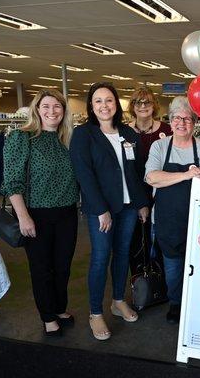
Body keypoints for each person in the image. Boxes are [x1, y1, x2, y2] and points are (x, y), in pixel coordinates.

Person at [70, 82, 150, 341]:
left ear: (116, 104)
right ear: (91, 106)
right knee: (100, 258)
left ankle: (117, 300)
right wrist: (100, 209)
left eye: (109, 100)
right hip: (101, 210)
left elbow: (137, 173)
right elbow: (84, 174)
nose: (104, 106)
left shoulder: (129, 133)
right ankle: (95, 313)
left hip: (128, 208)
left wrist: (141, 203)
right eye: (98, 101)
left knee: (123, 254)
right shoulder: (84, 134)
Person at [2, 89, 79, 336]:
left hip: (67, 213)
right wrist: (23, 216)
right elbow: (12, 181)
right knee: (42, 267)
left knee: (63, 265)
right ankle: (48, 316)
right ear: (37, 109)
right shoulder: (22, 137)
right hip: (36, 214)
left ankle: (58, 308)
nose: (52, 111)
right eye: (46, 106)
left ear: (64, 111)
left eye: (57, 106)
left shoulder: (67, 140)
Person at [145, 96, 200, 324]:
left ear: (195, 123)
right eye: (177, 118)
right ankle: (176, 302)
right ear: (170, 122)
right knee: (173, 267)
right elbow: (152, 177)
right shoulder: (160, 146)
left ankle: (199, 302)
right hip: (167, 221)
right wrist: (186, 175)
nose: (182, 123)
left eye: (188, 119)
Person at [128, 87, 172, 276]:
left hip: (162, 194)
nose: (143, 106)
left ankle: (162, 283)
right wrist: (140, 202)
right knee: (136, 242)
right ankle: (140, 284)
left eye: (147, 102)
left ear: (154, 105)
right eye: (139, 102)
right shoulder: (124, 132)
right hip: (133, 196)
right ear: (133, 106)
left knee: (162, 240)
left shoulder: (167, 130)